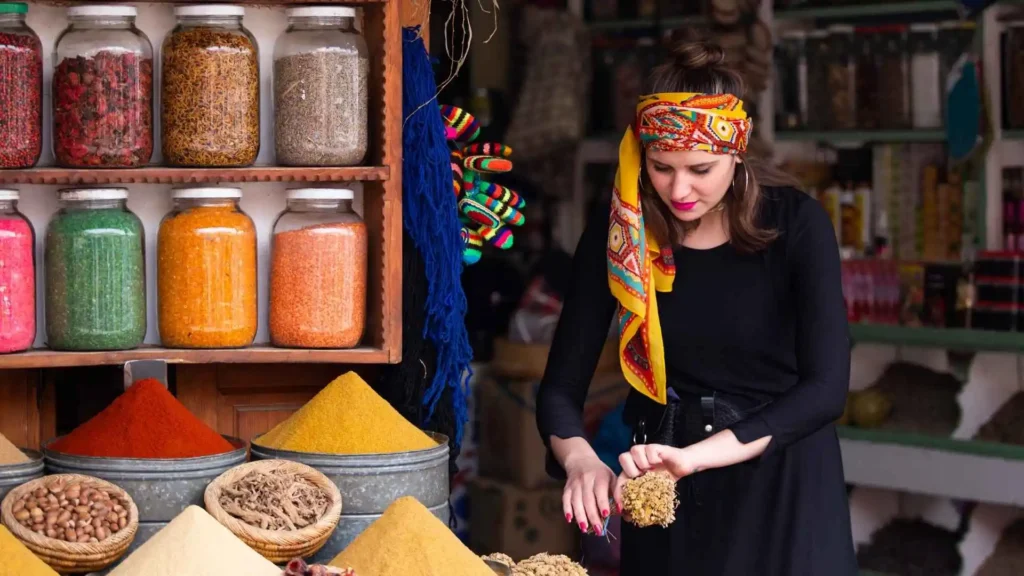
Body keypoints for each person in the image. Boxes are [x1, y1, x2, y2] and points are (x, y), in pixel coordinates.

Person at [535, 41, 857, 576]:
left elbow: (826, 390)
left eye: (700, 168)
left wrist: (695, 457)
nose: (679, 189)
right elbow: (560, 391)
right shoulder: (622, 234)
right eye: (661, 167)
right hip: (666, 499)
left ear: (738, 150)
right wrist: (581, 460)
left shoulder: (796, 225)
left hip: (783, 490)